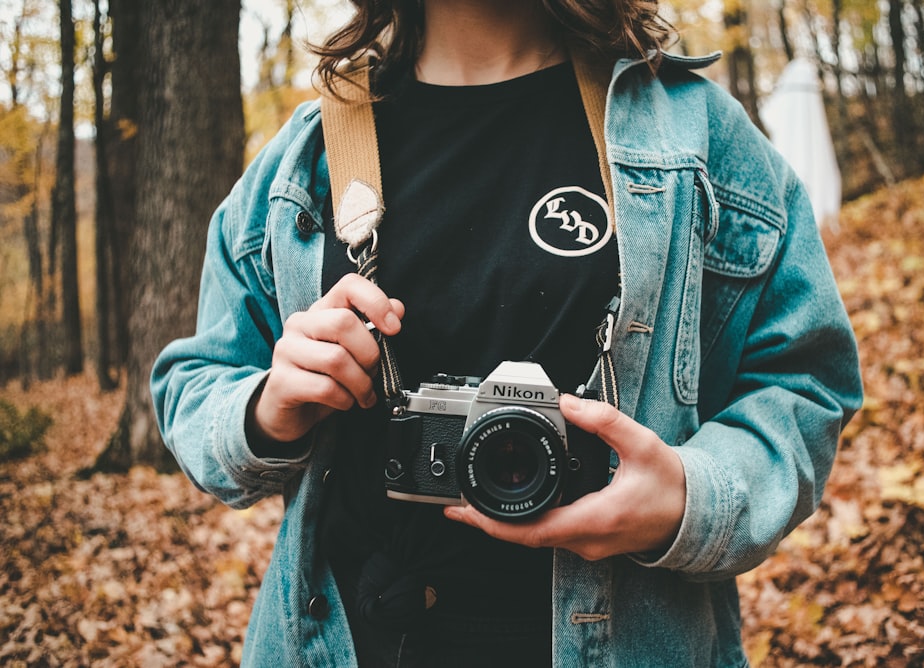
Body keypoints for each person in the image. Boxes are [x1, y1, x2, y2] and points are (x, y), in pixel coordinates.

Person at [151, 0, 863, 666]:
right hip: (346, 636)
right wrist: (268, 408)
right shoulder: (300, 167)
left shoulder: (694, 137)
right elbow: (194, 382)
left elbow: (806, 384)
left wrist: (685, 497)